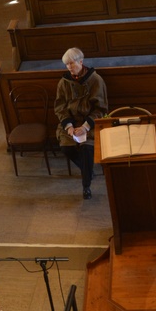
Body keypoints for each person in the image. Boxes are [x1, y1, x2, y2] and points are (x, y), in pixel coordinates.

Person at [55, 47, 108, 200]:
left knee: (87, 149)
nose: (70, 68)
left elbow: (101, 108)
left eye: (72, 63)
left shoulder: (95, 80)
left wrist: (85, 127)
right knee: (66, 148)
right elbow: (60, 107)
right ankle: (87, 170)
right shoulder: (63, 83)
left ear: (81, 61)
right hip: (72, 124)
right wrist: (69, 127)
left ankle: (86, 186)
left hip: (90, 124)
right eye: (67, 65)